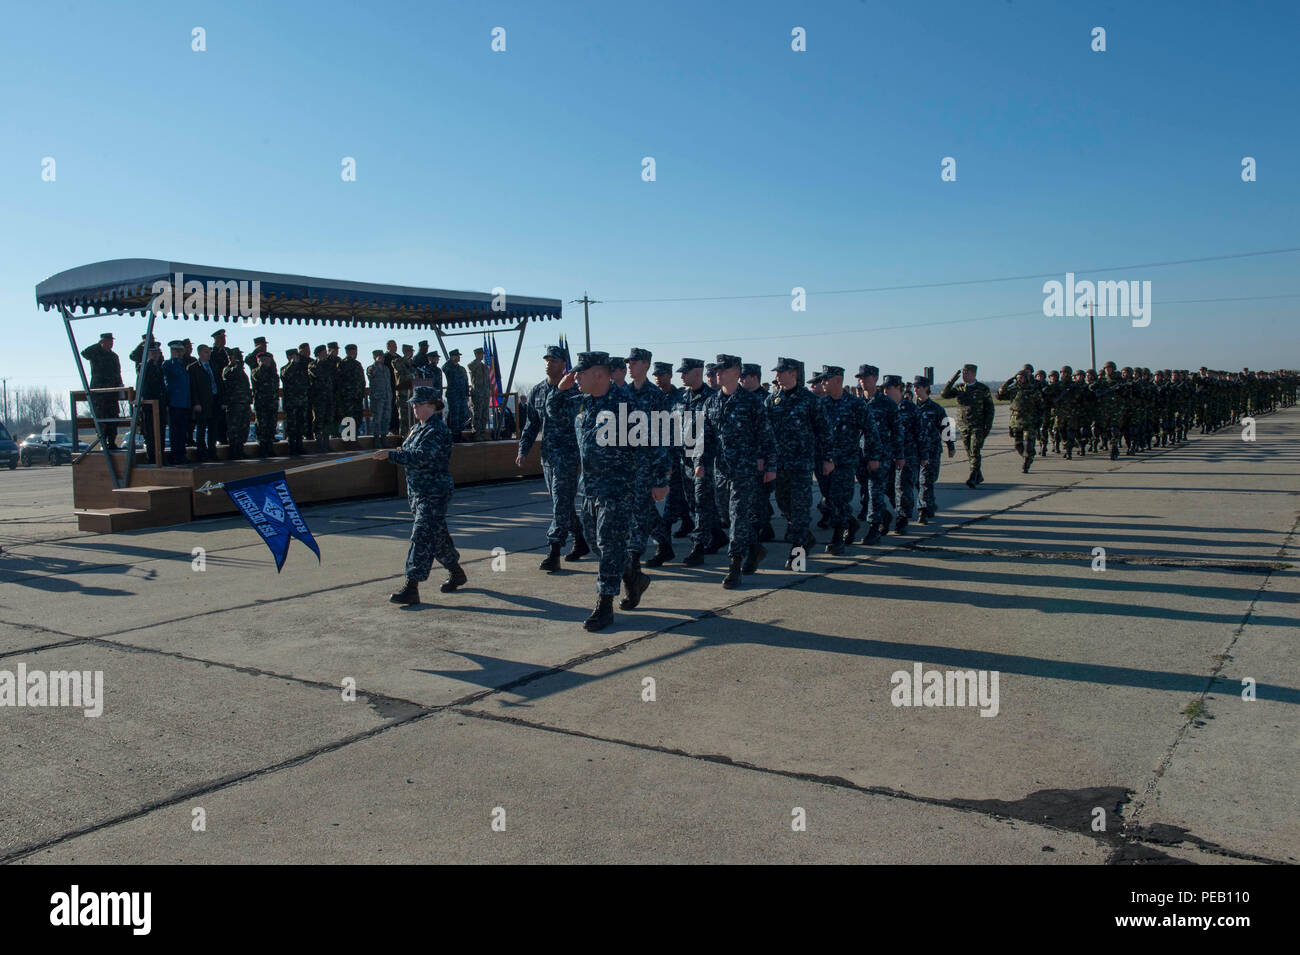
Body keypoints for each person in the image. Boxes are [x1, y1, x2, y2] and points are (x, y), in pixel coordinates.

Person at [551, 352, 666, 631]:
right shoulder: (583, 404)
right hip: (590, 489)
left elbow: (653, 444)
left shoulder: (625, 405)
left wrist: (659, 480)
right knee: (596, 543)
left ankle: (604, 606)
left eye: (581, 373)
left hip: (618, 489)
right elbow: (554, 413)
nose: (575, 377)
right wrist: (559, 391)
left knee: (609, 544)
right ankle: (633, 578)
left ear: (599, 375)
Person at [375, 386, 466, 605]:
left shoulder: (437, 430)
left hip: (434, 492)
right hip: (417, 491)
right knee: (437, 536)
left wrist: (392, 455)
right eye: (414, 404)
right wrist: (395, 452)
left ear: (433, 406)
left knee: (421, 535)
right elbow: (409, 450)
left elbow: (421, 456)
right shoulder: (417, 429)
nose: (415, 408)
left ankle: (411, 587)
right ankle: (456, 572)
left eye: (420, 404)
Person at [694, 355, 776, 587]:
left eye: (723, 369)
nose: (718, 373)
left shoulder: (751, 402)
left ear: (736, 372)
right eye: (717, 369)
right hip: (721, 470)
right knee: (728, 516)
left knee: (738, 515)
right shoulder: (711, 403)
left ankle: (734, 565)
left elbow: (766, 436)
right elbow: (706, 437)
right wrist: (701, 461)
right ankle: (754, 547)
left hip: (746, 470)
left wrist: (770, 465)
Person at [517, 345, 588, 570]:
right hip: (547, 456)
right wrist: (523, 450)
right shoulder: (537, 391)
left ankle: (554, 551)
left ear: (563, 365)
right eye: (547, 360)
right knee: (562, 503)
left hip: (567, 456)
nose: (549, 363)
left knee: (560, 503)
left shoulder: (575, 391)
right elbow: (531, 425)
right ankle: (581, 540)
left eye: (554, 360)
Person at [765, 356, 832, 568]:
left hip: (802, 464)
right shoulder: (772, 400)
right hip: (780, 465)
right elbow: (765, 433)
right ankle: (804, 537)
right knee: (784, 504)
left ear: (793, 373)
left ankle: (798, 556)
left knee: (801, 508)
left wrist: (827, 458)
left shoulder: (810, 400)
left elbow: (824, 430)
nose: (777, 375)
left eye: (781, 371)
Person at [819, 366, 882, 554]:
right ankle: (851, 523)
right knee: (829, 500)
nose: (822, 383)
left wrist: (873, 457)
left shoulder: (855, 404)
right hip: (825, 462)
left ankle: (837, 538)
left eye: (826, 380)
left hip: (846, 461)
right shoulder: (823, 405)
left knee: (839, 499)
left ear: (837, 380)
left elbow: (871, 432)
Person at [623, 347, 672, 589]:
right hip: (625, 470)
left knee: (639, 518)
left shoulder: (656, 396)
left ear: (646, 364)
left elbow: (662, 438)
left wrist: (661, 477)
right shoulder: (621, 393)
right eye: (628, 362)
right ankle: (663, 543)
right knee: (639, 515)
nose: (629, 365)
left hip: (646, 468)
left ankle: (634, 566)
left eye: (634, 362)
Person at [941, 364, 995, 488]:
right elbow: (945, 394)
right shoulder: (959, 388)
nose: (965, 375)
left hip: (978, 425)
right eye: (963, 372)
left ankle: (973, 475)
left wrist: (988, 425)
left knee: (975, 449)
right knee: (969, 451)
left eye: (967, 372)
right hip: (964, 425)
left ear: (974, 374)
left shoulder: (982, 389)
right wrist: (952, 380)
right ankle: (978, 474)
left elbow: (990, 409)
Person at [912, 376, 951, 523]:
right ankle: (929, 504)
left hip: (932, 450)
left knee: (927, 480)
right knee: (918, 481)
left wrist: (950, 446)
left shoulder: (936, 409)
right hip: (916, 450)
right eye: (915, 387)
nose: (916, 390)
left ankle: (923, 510)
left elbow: (946, 428)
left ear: (926, 388)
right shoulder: (911, 408)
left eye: (919, 387)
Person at [80, 332, 124, 449]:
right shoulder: (96, 353)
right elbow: (84, 353)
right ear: (102, 342)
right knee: (101, 418)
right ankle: (103, 442)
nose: (111, 344)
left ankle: (112, 442)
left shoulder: (114, 356)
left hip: (112, 392)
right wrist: (99, 345)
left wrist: (120, 386)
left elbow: (117, 373)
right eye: (108, 341)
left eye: (112, 341)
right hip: (99, 392)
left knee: (113, 418)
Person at [997, 365, 1045, 473]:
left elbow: (1041, 407)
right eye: (1018, 378)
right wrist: (1009, 381)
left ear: (1026, 378)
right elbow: (1000, 395)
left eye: (1021, 378)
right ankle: (1027, 456)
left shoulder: (1033, 391)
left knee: (1028, 443)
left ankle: (1027, 461)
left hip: (1030, 421)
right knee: (1018, 444)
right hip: (1016, 421)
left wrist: (1039, 420)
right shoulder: (1013, 390)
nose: (1019, 380)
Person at [161, 340, 198, 465]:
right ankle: (176, 455)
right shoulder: (168, 364)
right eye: (176, 351)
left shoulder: (183, 365)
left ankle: (181, 454)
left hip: (184, 403)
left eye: (181, 351)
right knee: (175, 431)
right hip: (174, 402)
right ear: (171, 351)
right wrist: (175, 359)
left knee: (183, 431)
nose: (179, 353)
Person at [190, 343, 222, 461]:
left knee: (213, 429)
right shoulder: (193, 368)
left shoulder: (213, 366)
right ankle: (202, 453)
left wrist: (221, 400)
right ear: (199, 353)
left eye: (209, 352)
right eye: (205, 352)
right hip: (202, 402)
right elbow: (193, 388)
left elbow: (219, 383)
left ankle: (212, 452)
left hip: (214, 400)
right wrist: (196, 403)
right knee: (201, 429)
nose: (208, 354)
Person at [280, 349, 311, 456]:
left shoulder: (302, 368)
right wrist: (293, 364)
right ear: (289, 357)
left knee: (300, 425)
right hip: (291, 403)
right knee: (292, 426)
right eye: (294, 356)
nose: (297, 357)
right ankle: (292, 447)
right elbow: (285, 376)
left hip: (302, 402)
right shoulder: (285, 369)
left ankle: (299, 445)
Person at [138, 342, 164, 465]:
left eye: (157, 352)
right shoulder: (144, 367)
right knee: (150, 433)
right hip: (149, 406)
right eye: (152, 352)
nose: (155, 355)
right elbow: (144, 388)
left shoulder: (158, 367)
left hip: (159, 405)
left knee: (160, 432)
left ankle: (160, 456)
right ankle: (152, 457)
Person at [222, 348, 252, 459]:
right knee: (234, 429)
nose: (240, 358)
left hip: (244, 403)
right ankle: (234, 451)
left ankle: (240, 449)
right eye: (237, 356)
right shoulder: (228, 369)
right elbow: (230, 375)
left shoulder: (241, 370)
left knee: (243, 428)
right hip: (234, 404)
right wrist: (238, 365)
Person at [252, 350, 280, 457]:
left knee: (271, 426)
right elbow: (258, 376)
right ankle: (263, 449)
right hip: (262, 404)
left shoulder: (273, 373)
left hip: (272, 404)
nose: (267, 362)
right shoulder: (256, 371)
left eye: (268, 360)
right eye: (264, 360)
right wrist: (262, 365)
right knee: (262, 427)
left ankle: (270, 448)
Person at [308, 345, 335, 453]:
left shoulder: (328, 364)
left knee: (328, 420)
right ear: (318, 354)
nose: (325, 354)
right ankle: (319, 444)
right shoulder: (312, 365)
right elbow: (317, 374)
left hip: (328, 396)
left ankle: (326, 443)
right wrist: (322, 361)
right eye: (323, 352)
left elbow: (332, 373)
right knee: (319, 420)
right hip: (318, 397)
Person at [337, 344, 367, 440]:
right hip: (348, 397)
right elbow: (339, 381)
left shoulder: (357, 364)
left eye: (356, 351)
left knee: (357, 419)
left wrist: (361, 392)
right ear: (348, 352)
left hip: (357, 397)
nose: (355, 353)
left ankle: (354, 439)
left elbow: (362, 380)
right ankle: (348, 440)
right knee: (349, 419)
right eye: (353, 352)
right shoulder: (343, 364)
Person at [367, 350, 394, 445]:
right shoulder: (371, 368)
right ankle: (376, 439)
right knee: (377, 418)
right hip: (377, 398)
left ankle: (383, 437)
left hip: (387, 397)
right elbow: (370, 375)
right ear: (375, 357)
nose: (382, 358)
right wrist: (376, 363)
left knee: (386, 418)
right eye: (380, 357)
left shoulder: (386, 368)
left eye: (383, 356)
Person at [444, 349, 470, 440]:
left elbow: (466, 382)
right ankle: (455, 434)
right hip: (453, 395)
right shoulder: (448, 367)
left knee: (462, 415)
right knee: (454, 415)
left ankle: (460, 433)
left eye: (458, 356)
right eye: (456, 356)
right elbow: (445, 369)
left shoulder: (461, 369)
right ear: (451, 357)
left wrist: (467, 394)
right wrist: (451, 361)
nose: (458, 357)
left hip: (462, 395)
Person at [469, 347, 490, 440]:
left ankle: (482, 432)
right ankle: (476, 433)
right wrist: (477, 360)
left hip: (485, 394)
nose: (482, 356)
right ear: (476, 354)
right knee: (477, 414)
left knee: (484, 414)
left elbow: (487, 379)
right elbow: (471, 367)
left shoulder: (484, 366)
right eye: (480, 354)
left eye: (482, 354)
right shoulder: (473, 364)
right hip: (477, 393)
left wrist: (490, 387)